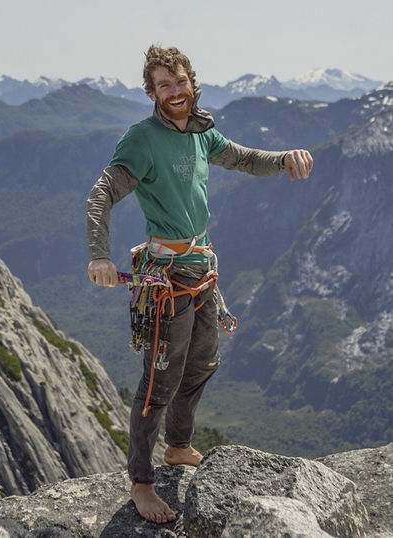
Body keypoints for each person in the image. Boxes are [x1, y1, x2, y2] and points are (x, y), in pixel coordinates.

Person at [86, 45, 313, 524]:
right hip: (168, 274)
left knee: (204, 359)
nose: (175, 91)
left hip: (201, 267)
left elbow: (245, 158)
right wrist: (99, 255)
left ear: (193, 82)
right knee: (158, 381)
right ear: (151, 92)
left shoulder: (200, 130)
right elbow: (102, 193)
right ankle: (142, 483)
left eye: (180, 81)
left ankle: (179, 445)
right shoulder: (141, 139)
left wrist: (285, 158)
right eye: (164, 85)